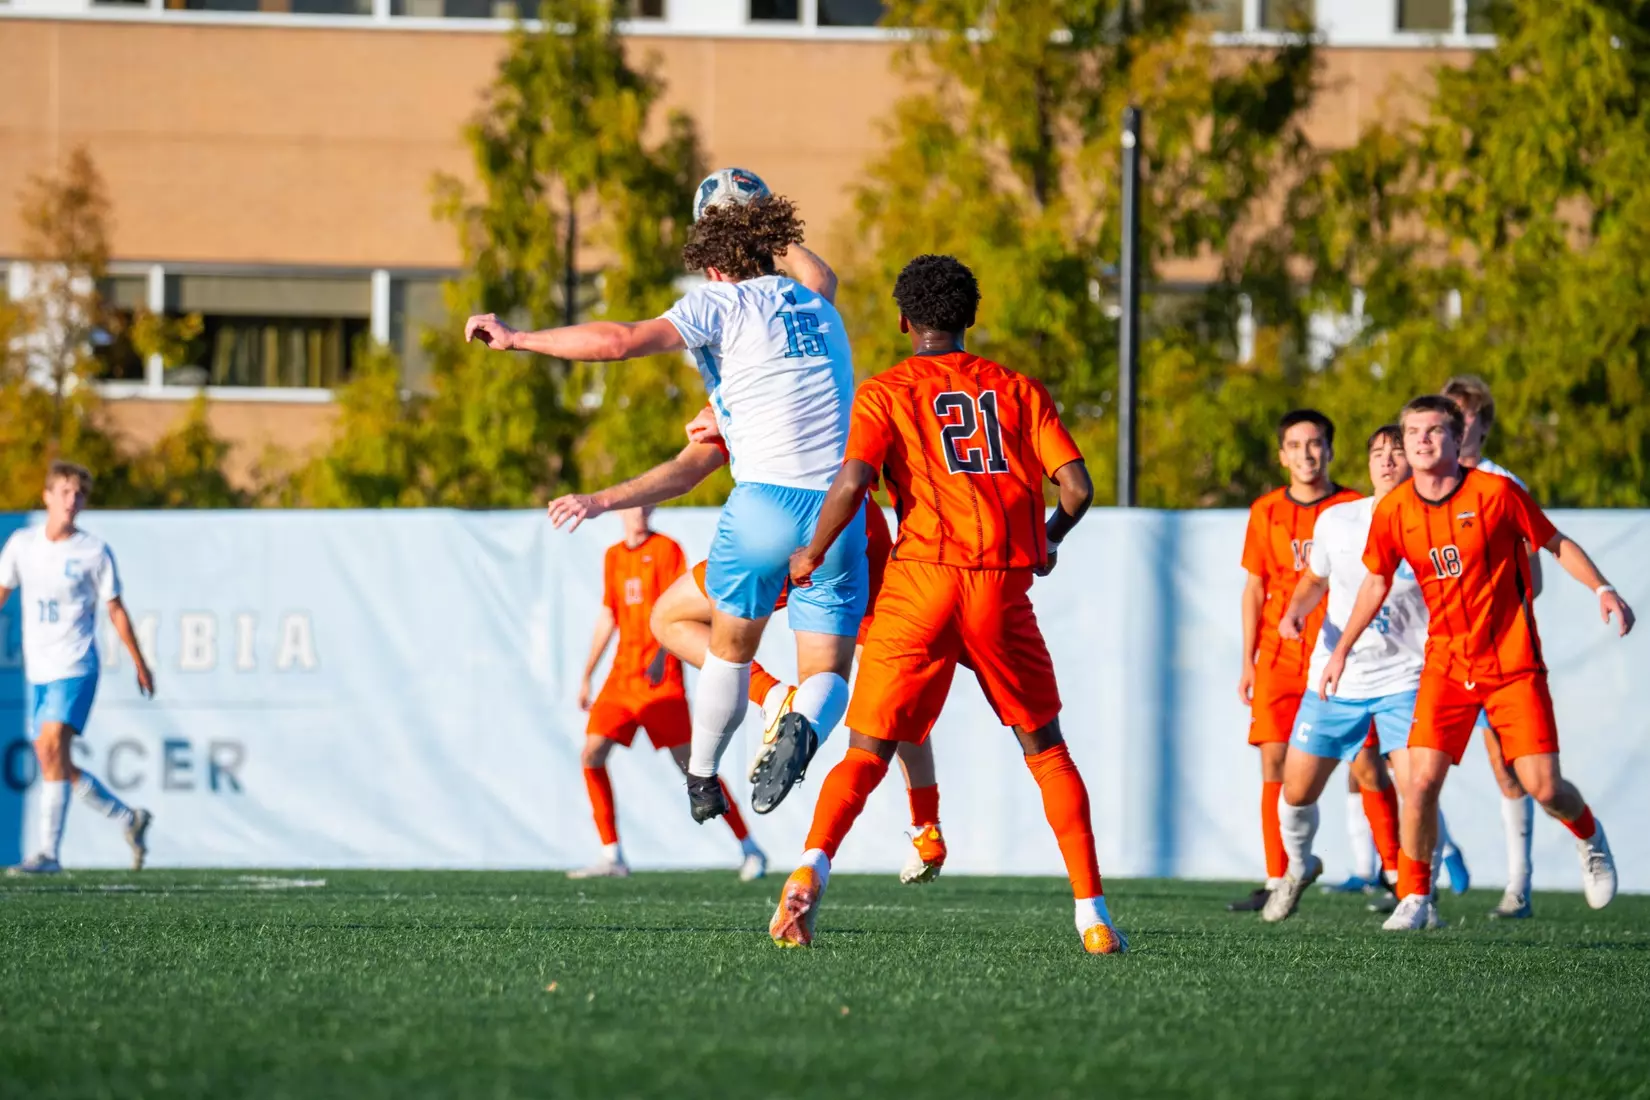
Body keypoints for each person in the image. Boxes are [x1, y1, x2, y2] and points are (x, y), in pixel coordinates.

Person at [768, 254, 1126, 954]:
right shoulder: (1018, 389)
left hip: (921, 580)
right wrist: (1047, 541)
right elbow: (1078, 487)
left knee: (866, 753)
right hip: (997, 583)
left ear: (905, 320)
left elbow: (851, 482)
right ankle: (1093, 917)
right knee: (1047, 750)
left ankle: (808, 873)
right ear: (970, 317)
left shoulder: (885, 390)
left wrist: (811, 552)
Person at [470, 196, 863, 824]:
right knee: (831, 673)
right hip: (843, 512)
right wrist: (762, 223)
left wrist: (519, 339)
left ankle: (704, 777)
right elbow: (819, 277)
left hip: (765, 505)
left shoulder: (721, 302)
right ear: (772, 252)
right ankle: (803, 729)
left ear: (711, 268)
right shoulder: (820, 308)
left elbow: (619, 341)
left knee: (727, 651)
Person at [547, 410, 949, 884]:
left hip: (780, 530)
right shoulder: (828, 387)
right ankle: (924, 825)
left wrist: (599, 498)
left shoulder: (749, 400)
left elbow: (679, 452)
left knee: (669, 619)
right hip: (848, 529)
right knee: (888, 695)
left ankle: (774, 705)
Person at [1322, 395, 1631, 931]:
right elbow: (1374, 580)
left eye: (1434, 430)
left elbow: (1555, 543)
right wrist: (1342, 648)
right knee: (1417, 783)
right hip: (1444, 666)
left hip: (1511, 664)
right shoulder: (1393, 510)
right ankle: (1417, 897)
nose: (1421, 440)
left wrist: (1602, 588)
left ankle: (1590, 837)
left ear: (1456, 437)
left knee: (1544, 786)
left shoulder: (1496, 493)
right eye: (1412, 431)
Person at [1265, 425, 1427, 921]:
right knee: (1295, 794)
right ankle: (1299, 865)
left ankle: (1417, 894)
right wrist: (1295, 610)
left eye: (1397, 453)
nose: (1386, 461)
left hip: (1406, 677)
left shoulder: (1430, 521)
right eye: (1378, 452)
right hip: (1337, 678)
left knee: (1418, 786)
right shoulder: (1340, 519)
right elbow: (1315, 579)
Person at [569, 506, 766, 881]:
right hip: (621, 680)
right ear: (620, 513)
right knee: (592, 754)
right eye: (634, 506)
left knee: (697, 770)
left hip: (661, 683)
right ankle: (612, 855)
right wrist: (586, 675)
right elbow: (609, 615)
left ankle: (750, 848)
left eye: (647, 505)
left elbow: (678, 610)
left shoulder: (667, 550)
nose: (641, 512)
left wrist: (663, 653)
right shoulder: (612, 556)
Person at [1231, 411, 1361, 911]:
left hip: (1339, 654)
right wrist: (1248, 660)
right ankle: (1277, 875)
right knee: (1273, 759)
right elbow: (1256, 586)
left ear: (1329, 450)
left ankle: (1397, 876)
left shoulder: (1353, 506)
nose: (1306, 454)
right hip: (1280, 656)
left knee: (1368, 763)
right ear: (1282, 455)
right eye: (1295, 445)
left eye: (1315, 444)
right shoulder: (1265, 510)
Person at [0, 461, 155, 875]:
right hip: (39, 669)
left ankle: (48, 854)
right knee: (55, 762)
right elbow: (2, 591)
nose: (72, 500)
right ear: (46, 496)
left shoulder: (93, 551)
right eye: (64, 492)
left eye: (79, 494)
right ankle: (128, 818)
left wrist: (140, 662)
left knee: (51, 748)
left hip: (76, 665)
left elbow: (115, 609)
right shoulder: (21, 545)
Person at [1442, 374, 1539, 918]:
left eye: (1464, 413)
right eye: (1446, 412)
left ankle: (1518, 883)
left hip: (1492, 651)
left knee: (1508, 765)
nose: (1453, 422)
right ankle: (1429, 865)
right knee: (1396, 760)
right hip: (1431, 649)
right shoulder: (1423, 482)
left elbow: (1535, 575)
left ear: (1481, 423)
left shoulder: (1501, 485)